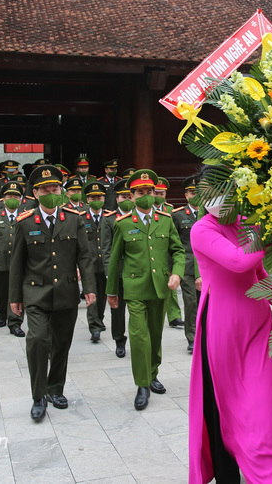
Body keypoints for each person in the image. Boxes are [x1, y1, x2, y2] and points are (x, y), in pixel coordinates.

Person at [188, 186, 272, 483]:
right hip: (223, 327)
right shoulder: (201, 229)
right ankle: (229, 471)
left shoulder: (245, 224)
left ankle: (269, 469)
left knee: (270, 402)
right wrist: (268, 229)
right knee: (226, 404)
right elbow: (238, 262)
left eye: (223, 192)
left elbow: (258, 273)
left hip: (258, 324)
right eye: (208, 194)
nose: (217, 199)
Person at [8, 164, 97, 421]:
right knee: (37, 341)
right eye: (45, 190)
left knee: (61, 344)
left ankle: (55, 388)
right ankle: (38, 396)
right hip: (36, 293)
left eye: (55, 189)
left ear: (62, 191)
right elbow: (17, 263)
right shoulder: (25, 222)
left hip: (66, 292)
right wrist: (15, 297)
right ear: (35, 193)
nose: (51, 193)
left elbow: (84, 256)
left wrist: (89, 288)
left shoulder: (73, 219)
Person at [106, 169, 185, 411]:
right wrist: (111, 292)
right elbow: (115, 259)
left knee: (155, 334)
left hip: (160, 287)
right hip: (135, 288)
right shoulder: (123, 224)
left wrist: (177, 273)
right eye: (141, 192)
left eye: (150, 191)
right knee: (139, 336)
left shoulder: (166, 220)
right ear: (131, 196)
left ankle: (152, 374)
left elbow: (178, 250)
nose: (147, 196)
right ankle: (142, 384)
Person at [0, 182, 26, 337]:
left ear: (21, 199)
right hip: (0, 262)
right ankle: (2, 315)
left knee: (17, 293)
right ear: (3, 198)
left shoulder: (26, 216)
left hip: (20, 263)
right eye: (10, 196)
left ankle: (15, 322)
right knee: (2, 293)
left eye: (16, 196)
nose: (13, 199)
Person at [82, 180, 115, 343]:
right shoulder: (81, 218)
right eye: (93, 197)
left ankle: (99, 319)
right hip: (89, 265)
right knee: (92, 296)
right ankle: (94, 327)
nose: (96, 200)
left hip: (105, 265)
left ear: (104, 199)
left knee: (102, 297)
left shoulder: (110, 217)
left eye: (99, 197)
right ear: (87, 199)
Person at [171, 175, 200, 353]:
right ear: (186, 195)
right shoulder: (178, 215)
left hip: (207, 266)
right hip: (188, 266)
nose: (195, 195)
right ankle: (192, 337)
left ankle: (207, 334)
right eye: (191, 193)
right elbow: (173, 244)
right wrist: (173, 268)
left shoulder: (209, 213)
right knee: (191, 302)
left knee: (208, 302)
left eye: (197, 192)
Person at [107, 178, 134, 358]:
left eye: (129, 197)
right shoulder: (109, 219)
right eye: (123, 197)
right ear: (117, 199)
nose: (127, 200)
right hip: (118, 272)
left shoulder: (140, 217)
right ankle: (119, 340)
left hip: (136, 272)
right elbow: (106, 250)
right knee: (117, 309)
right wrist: (109, 274)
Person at [155, 177, 184, 328]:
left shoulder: (170, 210)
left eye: (162, 193)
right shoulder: (145, 209)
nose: (159, 196)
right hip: (154, 251)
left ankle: (174, 316)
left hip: (168, 251)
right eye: (156, 193)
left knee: (172, 284)